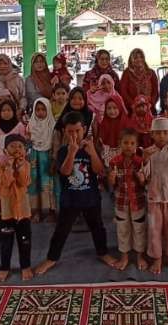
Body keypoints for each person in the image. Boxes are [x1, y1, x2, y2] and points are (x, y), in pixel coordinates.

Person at [34, 112, 117, 275]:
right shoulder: (63, 151)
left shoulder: (91, 148)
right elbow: (64, 172)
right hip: (69, 200)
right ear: (65, 131)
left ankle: (103, 253)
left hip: (91, 198)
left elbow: (100, 171)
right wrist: (72, 152)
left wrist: (92, 152)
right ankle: (51, 258)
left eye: (77, 131)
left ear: (84, 129)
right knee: (61, 230)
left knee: (98, 227)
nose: (74, 135)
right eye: (70, 131)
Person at [142, 116, 168, 275]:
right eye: (158, 133)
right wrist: (145, 160)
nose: (161, 136)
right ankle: (157, 257)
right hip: (154, 197)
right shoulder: (149, 152)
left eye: (165, 133)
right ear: (152, 134)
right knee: (154, 228)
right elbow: (145, 176)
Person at [0, 133, 33, 282]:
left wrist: (21, 166)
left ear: (25, 149)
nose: (16, 149)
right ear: (5, 149)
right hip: (7, 211)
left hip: (23, 211)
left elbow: (24, 183)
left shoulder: (27, 165)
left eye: (20, 146)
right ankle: (4, 267)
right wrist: (10, 166)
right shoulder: (0, 164)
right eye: (12, 146)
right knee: (6, 241)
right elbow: (4, 185)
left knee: (25, 240)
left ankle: (25, 266)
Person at [107, 128, 147, 271]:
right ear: (120, 144)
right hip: (121, 202)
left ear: (136, 145)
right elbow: (112, 184)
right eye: (125, 143)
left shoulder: (140, 162)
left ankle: (139, 255)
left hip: (138, 201)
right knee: (122, 229)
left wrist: (142, 180)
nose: (128, 146)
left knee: (139, 228)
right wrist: (111, 180)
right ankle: (124, 256)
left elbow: (144, 184)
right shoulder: (114, 162)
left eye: (132, 143)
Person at [0, 98, 27, 214]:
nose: (6, 113)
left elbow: (23, 145)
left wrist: (21, 161)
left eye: (9, 110)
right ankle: (2, 214)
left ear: (14, 112)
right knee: (3, 189)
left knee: (17, 188)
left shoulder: (20, 126)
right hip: (1, 164)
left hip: (16, 164)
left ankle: (18, 213)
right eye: (3, 110)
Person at [27, 97, 56, 223]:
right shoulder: (30, 124)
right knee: (34, 182)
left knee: (47, 183)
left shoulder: (52, 124)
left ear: (48, 110)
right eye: (37, 109)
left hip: (47, 157)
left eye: (43, 109)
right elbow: (27, 142)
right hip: (33, 157)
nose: (40, 112)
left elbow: (54, 142)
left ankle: (48, 211)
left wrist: (53, 157)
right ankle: (35, 211)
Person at [120, 48, 160, 113]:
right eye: (135, 58)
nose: (139, 59)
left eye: (141, 57)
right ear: (131, 60)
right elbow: (123, 91)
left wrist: (151, 104)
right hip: (132, 110)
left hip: (149, 109)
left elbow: (155, 91)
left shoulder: (151, 73)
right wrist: (133, 104)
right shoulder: (127, 73)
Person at [96, 94, 127, 166]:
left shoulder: (125, 122)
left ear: (120, 108)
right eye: (109, 108)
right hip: (108, 152)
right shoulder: (104, 123)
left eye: (115, 108)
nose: (112, 111)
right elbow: (101, 140)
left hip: (122, 151)